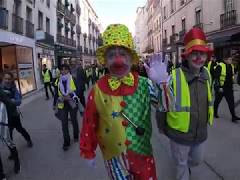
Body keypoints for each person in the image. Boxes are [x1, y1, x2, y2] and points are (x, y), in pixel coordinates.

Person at [80, 24, 157, 179]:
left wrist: (162, 84)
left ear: (131, 57)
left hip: (142, 152)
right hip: (114, 158)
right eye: (111, 56)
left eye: (123, 54)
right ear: (105, 61)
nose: (118, 61)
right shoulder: (97, 89)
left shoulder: (144, 84)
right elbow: (89, 121)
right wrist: (87, 149)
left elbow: (165, 107)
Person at [150, 27, 214, 180]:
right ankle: (183, 169)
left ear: (206, 56)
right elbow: (161, 104)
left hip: (200, 132)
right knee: (181, 166)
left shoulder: (207, 74)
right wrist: (161, 126)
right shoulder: (173, 76)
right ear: (187, 56)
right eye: (194, 53)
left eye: (202, 53)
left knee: (197, 160)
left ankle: (185, 166)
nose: (198, 57)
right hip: (179, 134)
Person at [1, 72, 33, 147]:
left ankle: (28, 139)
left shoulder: (14, 89)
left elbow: (19, 101)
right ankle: (12, 150)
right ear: (3, 79)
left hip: (13, 115)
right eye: (6, 78)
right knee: (8, 133)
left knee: (20, 129)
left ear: (12, 79)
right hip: (4, 116)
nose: (7, 81)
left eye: (9, 79)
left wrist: (12, 101)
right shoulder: (1, 89)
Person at [54, 64, 79, 151]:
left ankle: (76, 136)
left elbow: (78, 90)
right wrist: (55, 104)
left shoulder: (73, 79)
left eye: (65, 69)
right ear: (60, 71)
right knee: (64, 124)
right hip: (62, 104)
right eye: (62, 69)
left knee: (74, 121)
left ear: (68, 70)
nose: (64, 71)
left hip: (72, 103)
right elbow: (56, 93)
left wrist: (70, 95)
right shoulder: (57, 81)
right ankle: (66, 142)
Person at [0, 88, 21, 178]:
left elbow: (9, 104)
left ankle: (17, 162)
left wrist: (8, 121)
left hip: (2, 121)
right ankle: (1, 174)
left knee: (9, 142)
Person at [214, 57, 240, 122]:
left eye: (231, 59)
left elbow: (234, 72)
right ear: (225, 60)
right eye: (229, 59)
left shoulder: (231, 66)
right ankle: (215, 113)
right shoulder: (220, 66)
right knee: (217, 101)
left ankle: (233, 116)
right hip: (221, 87)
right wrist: (219, 87)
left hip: (229, 88)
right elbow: (216, 77)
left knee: (231, 102)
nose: (231, 61)